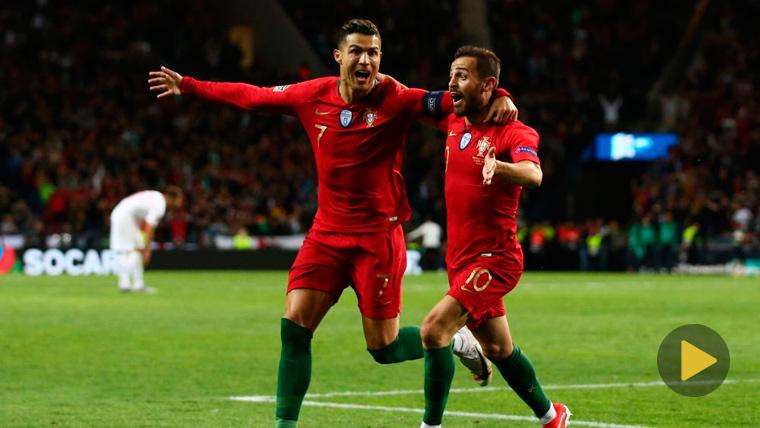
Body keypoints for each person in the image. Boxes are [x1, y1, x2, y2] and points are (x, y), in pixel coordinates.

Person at [149, 19, 517, 428]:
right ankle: (284, 425)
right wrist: (191, 85)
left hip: (377, 239)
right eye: (357, 51)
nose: (366, 59)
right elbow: (253, 97)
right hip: (326, 234)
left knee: (384, 348)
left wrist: (498, 92)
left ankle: (454, 342)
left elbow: (456, 98)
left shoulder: (395, 97)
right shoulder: (313, 95)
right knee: (294, 327)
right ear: (339, 56)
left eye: (374, 52)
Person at [418, 46, 570, 428]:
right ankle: (552, 416)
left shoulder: (515, 132)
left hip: (496, 258)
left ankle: (430, 425)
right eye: (451, 75)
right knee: (500, 349)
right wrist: (502, 96)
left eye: (462, 76)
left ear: (486, 85)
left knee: (434, 330)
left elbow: (533, 174)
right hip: (460, 260)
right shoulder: (454, 121)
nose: (452, 83)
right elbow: (407, 100)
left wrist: (501, 167)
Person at [109, 186, 184, 293]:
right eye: (180, 199)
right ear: (172, 198)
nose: (180, 203)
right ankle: (124, 283)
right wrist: (147, 249)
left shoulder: (157, 198)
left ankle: (137, 284)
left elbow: (145, 224)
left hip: (128, 216)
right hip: (124, 217)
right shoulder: (160, 205)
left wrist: (143, 245)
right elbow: (149, 226)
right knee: (129, 250)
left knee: (134, 249)